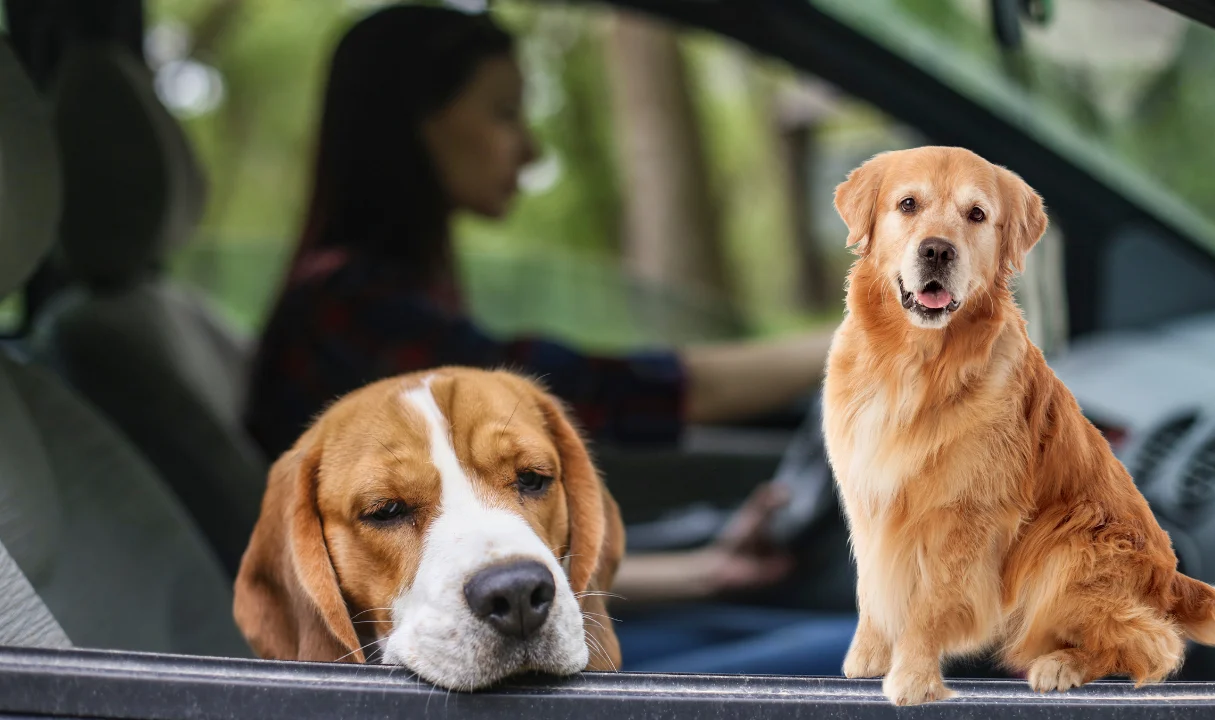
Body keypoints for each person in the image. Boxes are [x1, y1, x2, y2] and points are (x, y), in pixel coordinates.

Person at [243, 4, 852, 675]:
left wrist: (702, 571)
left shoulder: (387, 293)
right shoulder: (350, 307)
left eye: (532, 477)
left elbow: (488, 537)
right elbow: (609, 391)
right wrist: (870, 333)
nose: (529, 147)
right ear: (413, 124)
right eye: (504, 112)